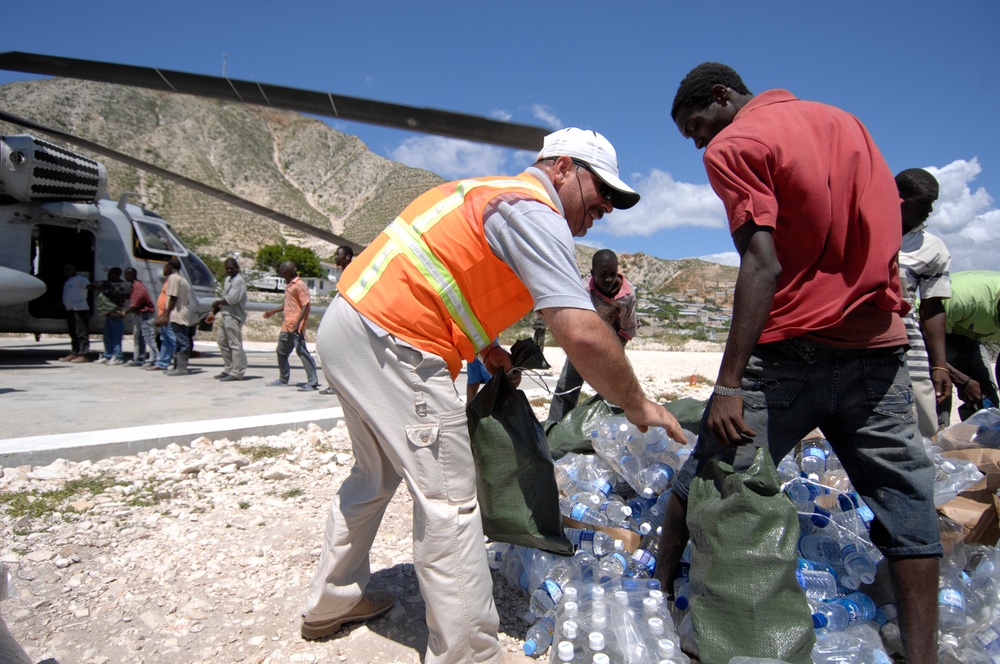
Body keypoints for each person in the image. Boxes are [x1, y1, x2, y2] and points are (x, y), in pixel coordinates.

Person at [302, 127, 685, 664]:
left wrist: (487, 347)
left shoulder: (490, 194)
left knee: (374, 475)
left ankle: (331, 601)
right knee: (450, 503)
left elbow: (445, 274)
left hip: (351, 324)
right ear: (563, 168)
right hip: (398, 341)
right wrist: (638, 403)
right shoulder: (534, 212)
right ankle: (468, 655)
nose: (605, 209)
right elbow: (581, 330)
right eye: (601, 192)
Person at [653, 63, 940, 664]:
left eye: (697, 127)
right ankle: (924, 655)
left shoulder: (737, 145)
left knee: (708, 469)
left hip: (788, 352)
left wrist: (729, 381)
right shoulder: (848, 123)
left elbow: (763, 264)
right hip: (876, 348)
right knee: (905, 504)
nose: (701, 143)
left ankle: (656, 595)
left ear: (720, 96)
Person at [546, 249, 637, 424]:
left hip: (614, 339)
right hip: (584, 339)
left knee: (614, 386)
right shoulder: (583, 290)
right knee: (568, 384)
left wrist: (612, 354)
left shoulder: (627, 294)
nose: (609, 279)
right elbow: (572, 321)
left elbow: (628, 327)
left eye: (612, 274)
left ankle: (613, 424)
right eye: (603, 275)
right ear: (593, 273)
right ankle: (555, 426)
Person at [896, 168, 952, 437]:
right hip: (857, 342)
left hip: (909, 350)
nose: (929, 210)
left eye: (932, 203)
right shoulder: (862, 230)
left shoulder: (931, 248)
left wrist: (939, 364)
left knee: (925, 425)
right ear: (899, 197)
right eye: (923, 203)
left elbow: (932, 307)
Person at [938, 270, 1000, 423]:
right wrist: (963, 381)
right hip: (930, 332)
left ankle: (979, 442)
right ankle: (936, 435)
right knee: (940, 390)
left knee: (987, 401)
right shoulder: (960, 297)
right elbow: (920, 346)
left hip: (968, 335)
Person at [263, 261, 320, 390]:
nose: (280, 272)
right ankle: (283, 379)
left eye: (281, 270)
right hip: (287, 324)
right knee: (281, 351)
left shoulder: (299, 285)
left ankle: (312, 381)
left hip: (295, 326)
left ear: (286, 272)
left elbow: (306, 304)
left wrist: (298, 323)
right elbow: (289, 304)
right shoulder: (289, 285)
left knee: (302, 352)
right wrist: (273, 311)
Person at [209, 257, 249, 382]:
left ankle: (238, 371)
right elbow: (224, 299)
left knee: (234, 344)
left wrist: (216, 302)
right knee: (222, 342)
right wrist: (214, 312)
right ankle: (229, 368)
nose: (229, 270)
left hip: (234, 316)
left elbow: (231, 299)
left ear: (237, 267)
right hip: (225, 314)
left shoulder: (238, 281)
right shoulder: (227, 280)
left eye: (231, 267)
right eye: (227, 268)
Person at [156, 258, 193, 377]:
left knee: (182, 341)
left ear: (169, 267)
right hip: (182, 313)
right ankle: (177, 366)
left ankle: (181, 368)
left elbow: (173, 297)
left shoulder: (173, 278)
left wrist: (165, 315)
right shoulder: (182, 279)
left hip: (177, 314)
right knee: (179, 340)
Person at [93, 267, 130, 365]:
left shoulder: (123, 285)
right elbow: (95, 284)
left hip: (116, 312)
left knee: (116, 335)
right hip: (109, 313)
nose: (109, 275)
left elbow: (124, 294)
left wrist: (109, 290)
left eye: (111, 273)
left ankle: (118, 356)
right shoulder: (107, 284)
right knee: (108, 335)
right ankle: (107, 354)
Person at [123, 267, 157, 367]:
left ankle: (153, 360)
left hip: (145, 315)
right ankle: (138, 359)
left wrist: (124, 313)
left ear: (131, 275)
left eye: (126, 274)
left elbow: (135, 305)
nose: (125, 277)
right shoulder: (134, 286)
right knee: (138, 337)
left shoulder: (138, 286)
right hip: (140, 315)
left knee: (149, 338)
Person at [59, 263, 91, 363]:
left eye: (67, 270)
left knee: (81, 332)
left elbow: (88, 286)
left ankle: (83, 355)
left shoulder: (80, 279)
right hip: (70, 309)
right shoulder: (68, 281)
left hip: (80, 309)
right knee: (73, 332)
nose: (65, 272)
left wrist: (95, 287)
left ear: (71, 271)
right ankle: (74, 353)